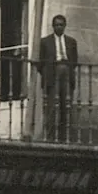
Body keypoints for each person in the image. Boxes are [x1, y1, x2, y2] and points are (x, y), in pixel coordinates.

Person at [36, 14, 78, 143]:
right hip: (52, 74)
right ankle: (49, 137)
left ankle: (64, 137)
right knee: (51, 107)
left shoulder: (71, 42)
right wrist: (47, 73)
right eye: (56, 25)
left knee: (66, 106)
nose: (59, 27)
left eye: (61, 25)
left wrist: (67, 69)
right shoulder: (45, 42)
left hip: (66, 71)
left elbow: (75, 61)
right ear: (53, 26)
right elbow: (40, 63)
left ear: (65, 26)